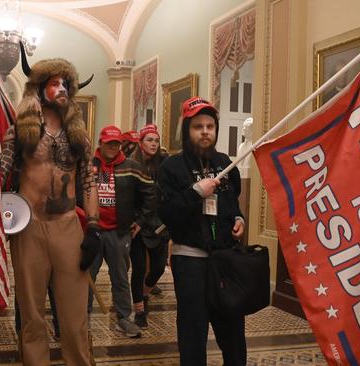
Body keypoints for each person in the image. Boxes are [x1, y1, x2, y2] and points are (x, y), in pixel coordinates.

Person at [0, 55, 100, 365]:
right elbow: (0, 174)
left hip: (68, 227)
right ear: (40, 89)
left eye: (65, 84)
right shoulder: (21, 130)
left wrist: (94, 227)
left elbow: (89, 179)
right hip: (29, 227)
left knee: (74, 319)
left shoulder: (78, 135)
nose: (61, 89)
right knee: (31, 316)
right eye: (54, 83)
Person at [158, 97, 246, 366]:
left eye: (210, 126)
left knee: (233, 332)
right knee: (193, 332)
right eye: (198, 126)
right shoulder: (171, 168)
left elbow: (233, 204)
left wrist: (239, 219)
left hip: (225, 262)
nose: (205, 131)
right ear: (187, 130)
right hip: (190, 262)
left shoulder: (225, 163)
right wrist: (195, 193)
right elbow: (167, 214)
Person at [86, 125, 156, 339]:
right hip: (93, 232)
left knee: (120, 277)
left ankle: (124, 319)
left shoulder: (132, 167)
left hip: (120, 232)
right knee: (87, 277)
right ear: (100, 143)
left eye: (116, 143)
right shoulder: (88, 166)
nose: (113, 147)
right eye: (109, 143)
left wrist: (140, 221)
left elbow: (151, 194)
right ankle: (83, 318)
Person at [128, 124, 169, 330]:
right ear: (140, 143)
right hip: (137, 224)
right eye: (149, 140)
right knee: (139, 268)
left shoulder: (165, 163)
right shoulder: (132, 164)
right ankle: (140, 311)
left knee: (159, 268)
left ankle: (144, 293)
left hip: (160, 223)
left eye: (156, 140)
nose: (154, 143)